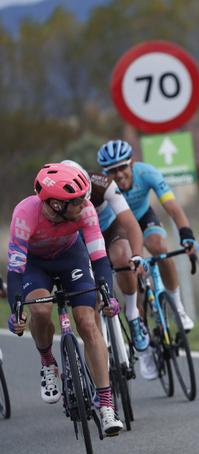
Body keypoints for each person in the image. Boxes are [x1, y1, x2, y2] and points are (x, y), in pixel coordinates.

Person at [6, 163, 124, 435]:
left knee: (87, 322)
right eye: (78, 201)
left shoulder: (85, 211)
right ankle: (47, 361)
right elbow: (15, 268)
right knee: (40, 310)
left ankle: (106, 404)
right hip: (35, 266)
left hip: (72, 258)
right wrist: (16, 309)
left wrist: (107, 292)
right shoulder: (25, 213)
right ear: (57, 204)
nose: (85, 204)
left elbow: (99, 256)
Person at [61, 160, 156, 379]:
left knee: (123, 256)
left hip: (109, 229)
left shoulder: (103, 183)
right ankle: (98, 353)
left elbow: (130, 223)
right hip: (79, 240)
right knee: (88, 293)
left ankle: (133, 314)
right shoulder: (57, 197)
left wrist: (137, 255)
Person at [96, 140, 198, 332]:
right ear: (105, 172)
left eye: (122, 167)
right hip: (119, 225)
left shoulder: (147, 173)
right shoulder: (103, 186)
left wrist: (186, 234)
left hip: (143, 216)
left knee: (159, 246)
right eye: (111, 170)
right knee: (131, 270)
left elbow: (172, 207)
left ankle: (177, 308)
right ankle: (142, 334)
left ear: (131, 163)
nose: (118, 174)